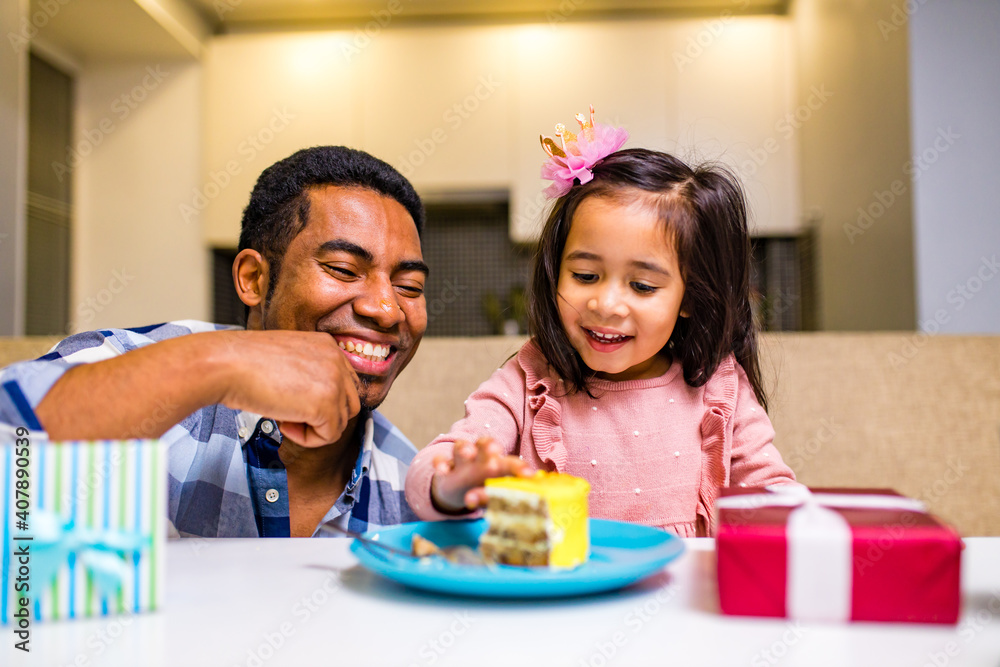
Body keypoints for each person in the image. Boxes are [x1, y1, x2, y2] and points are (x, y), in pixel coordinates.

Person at [0, 146, 429, 537]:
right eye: (344, 269)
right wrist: (216, 366)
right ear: (253, 279)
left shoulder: (412, 496)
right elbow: (11, 432)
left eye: (409, 286)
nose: (387, 310)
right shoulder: (126, 367)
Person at [404, 109, 796, 536]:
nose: (606, 304)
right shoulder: (528, 380)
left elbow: (771, 489)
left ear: (689, 297)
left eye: (642, 286)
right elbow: (429, 470)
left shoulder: (719, 387)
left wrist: (799, 520)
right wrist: (454, 482)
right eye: (585, 276)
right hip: (561, 579)